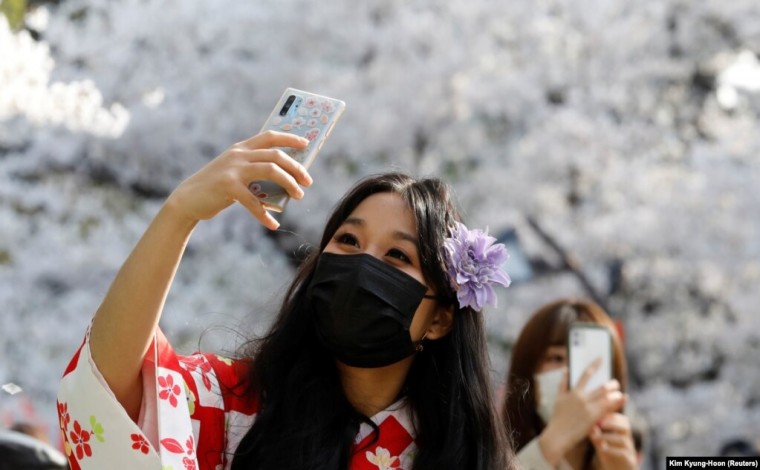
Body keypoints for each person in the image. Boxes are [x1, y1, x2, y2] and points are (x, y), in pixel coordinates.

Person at [57, 130, 517, 469]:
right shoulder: (237, 404)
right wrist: (180, 214)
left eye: (396, 256)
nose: (362, 266)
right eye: (348, 242)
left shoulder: (463, 456)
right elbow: (105, 392)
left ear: (440, 318)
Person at [501, 299, 638, 470]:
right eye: (557, 358)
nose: (571, 374)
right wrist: (554, 440)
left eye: (585, 362)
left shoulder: (620, 460)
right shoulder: (487, 452)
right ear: (527, 370)